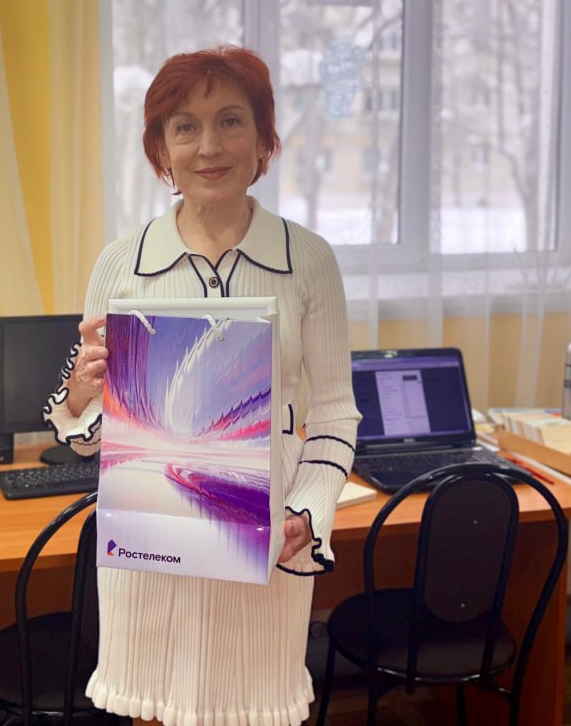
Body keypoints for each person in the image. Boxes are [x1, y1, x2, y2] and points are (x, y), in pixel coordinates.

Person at [45, 45, 360, 726]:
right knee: (152, 711)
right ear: (161, 147)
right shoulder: (121, 264)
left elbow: (337, 415)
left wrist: (308, 511)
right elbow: (90, 439)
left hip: (265, 535)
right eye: (185, 126)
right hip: (151, 543)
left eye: (230, 121)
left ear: (263, 137)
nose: (209, 146)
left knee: (253, 712)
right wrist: (79, 393)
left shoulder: (308, 260)